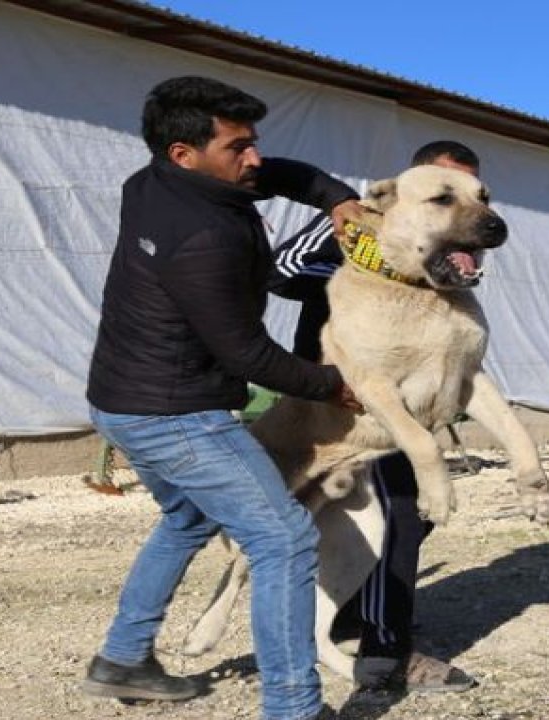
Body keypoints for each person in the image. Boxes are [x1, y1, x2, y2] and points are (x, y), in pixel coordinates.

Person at [82, 75, 363, 720]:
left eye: (253, 141)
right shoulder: (205, 236)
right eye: (238, 147)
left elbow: (280, 172)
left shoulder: (151, 182)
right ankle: (293, 708)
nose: (254, 158)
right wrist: (334, 385)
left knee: (187, 518)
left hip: (118, 400)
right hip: (175, 416)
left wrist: (336, 198)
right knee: (284, 540)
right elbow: (248, 355)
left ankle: (123, 659)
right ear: (185, 153)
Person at [268, 140, 482, 694]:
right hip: (348, 398)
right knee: (400, 513)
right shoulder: (363, 217)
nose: (462, 204)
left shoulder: (454, 241)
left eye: (472, 193)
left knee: (412, 515)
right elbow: (279, 271)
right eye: (445, 191)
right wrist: (369, 269)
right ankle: (385, 654)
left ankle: (352, 613)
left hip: (407, 399)